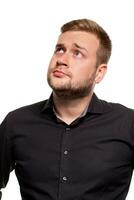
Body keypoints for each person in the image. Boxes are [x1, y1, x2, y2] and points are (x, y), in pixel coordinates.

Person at [0, 18, 134, 200]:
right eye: (60, 49)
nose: (61, 60)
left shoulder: (127, 124)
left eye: (77, 53)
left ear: (99, 73)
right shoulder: (16, 122)